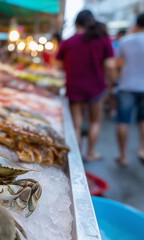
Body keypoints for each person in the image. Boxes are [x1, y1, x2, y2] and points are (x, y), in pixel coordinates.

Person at [56, 10, 114, 161]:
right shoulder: (103, 40)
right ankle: (91, 152)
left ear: (76, 23)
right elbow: (110, 65)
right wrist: (110, 84)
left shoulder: (68, 42)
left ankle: (75, 156)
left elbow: (58, 65)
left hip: (74, 87)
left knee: (76, 124)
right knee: (95, 121)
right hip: (96, 88)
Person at [115, 13, 144, 166]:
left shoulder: (126, 41)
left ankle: (123, 155)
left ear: (137, 23)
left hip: (126, 85)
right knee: (143, 121)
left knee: (123, 120)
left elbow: (118, 64)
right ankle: (142, 150)